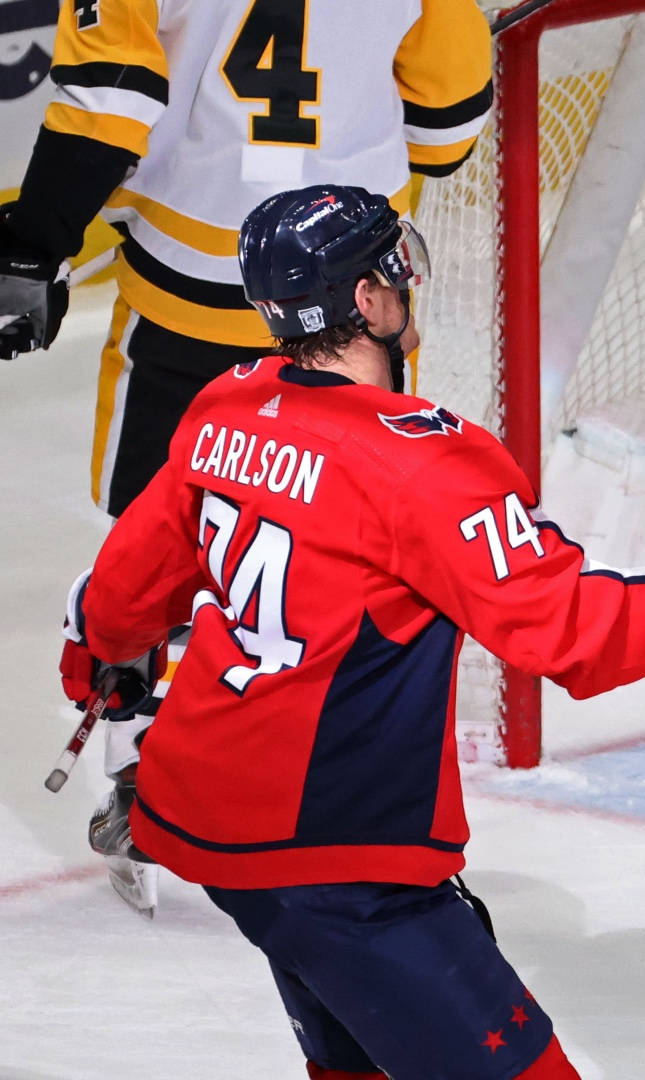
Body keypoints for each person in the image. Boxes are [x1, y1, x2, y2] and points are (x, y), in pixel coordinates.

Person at [57, 184, 645, 1079]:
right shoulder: (425, 458)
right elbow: (565, 633)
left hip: (205, 820)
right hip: (340, 857)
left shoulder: (223, 405)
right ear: (371, 302)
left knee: (362, 1059)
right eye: (395, 269)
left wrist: (100, 673)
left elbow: (116, 602)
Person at [1, 0, 495, 911]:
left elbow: (113, 93)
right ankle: (354, 800)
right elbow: (448, 121)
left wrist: (35, 242)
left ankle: (137, 785)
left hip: (186, 278)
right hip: (353, 302)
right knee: (360, 551)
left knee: (154, 537)